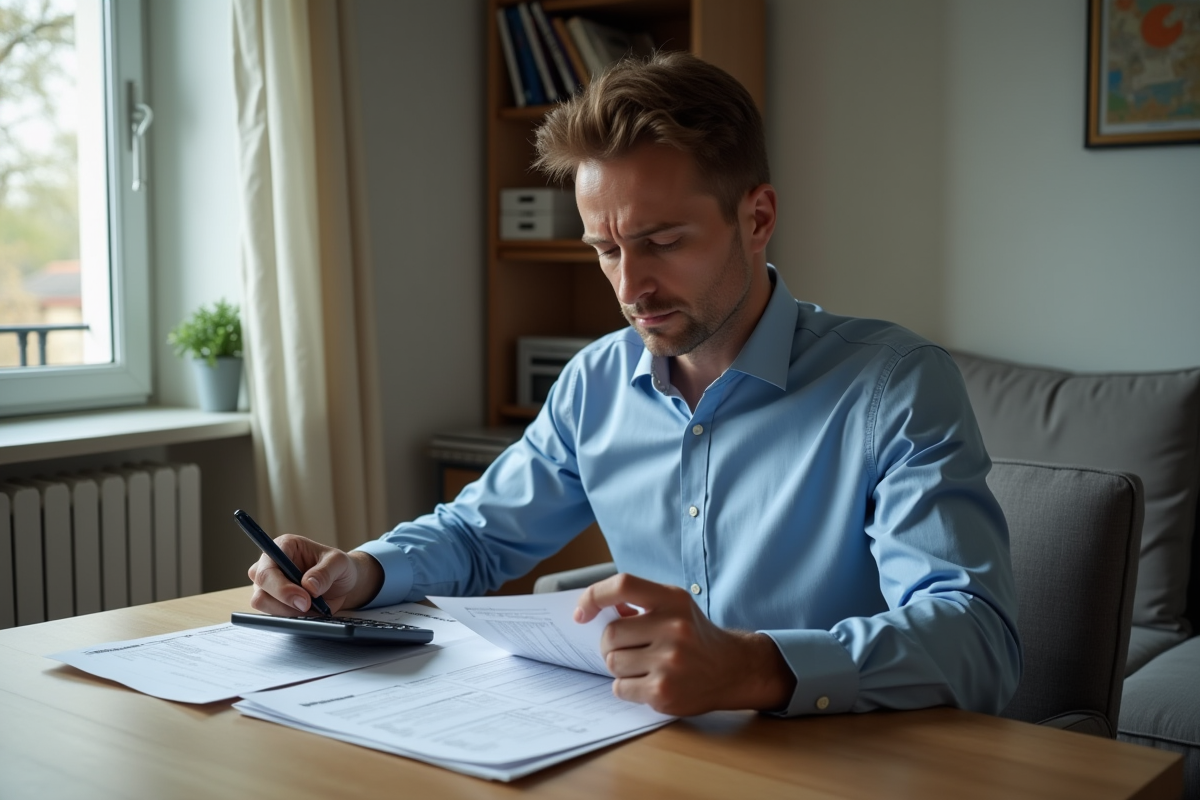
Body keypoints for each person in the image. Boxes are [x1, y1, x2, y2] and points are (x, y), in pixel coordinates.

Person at [249, 52, 1021, 719]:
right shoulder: (597, 382)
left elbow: (976, 640)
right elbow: (481, 535)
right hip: (643, 754)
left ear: (757, 218)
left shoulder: (895, 386)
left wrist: (755, 666)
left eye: (661, 242)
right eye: (606, 250)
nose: (631, 286)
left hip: (836, 764)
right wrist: (361, 570)